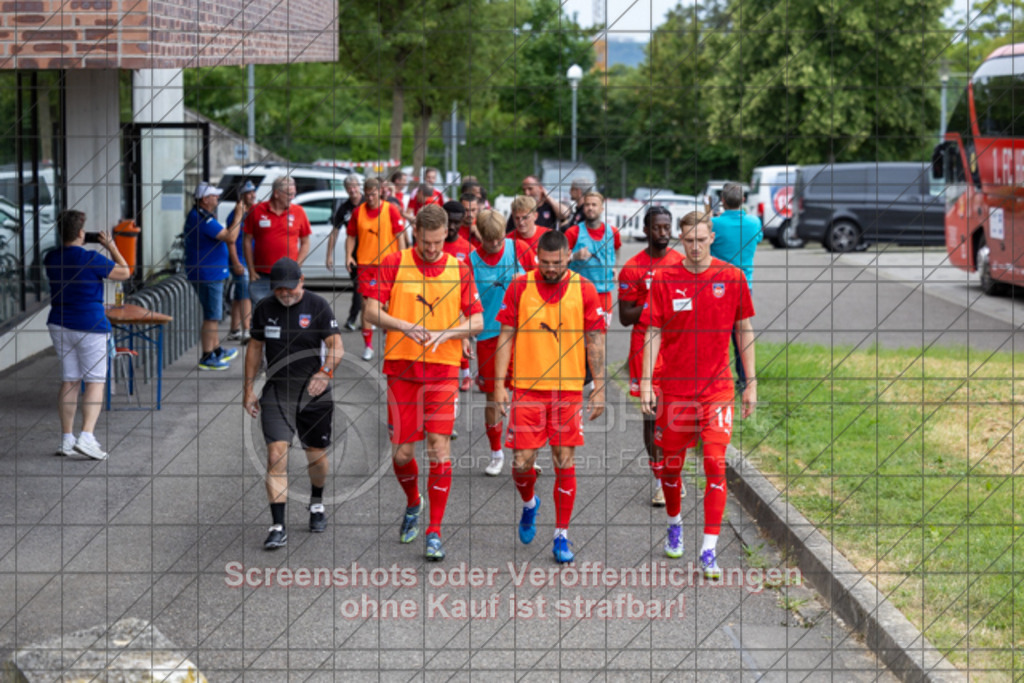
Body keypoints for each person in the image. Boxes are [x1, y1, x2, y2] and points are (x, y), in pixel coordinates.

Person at [362, 204, 483, 561]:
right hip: (401, 367)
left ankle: (434, 531)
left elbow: (476, 322)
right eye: (425, 242)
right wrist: (404, 325)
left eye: (437, 242)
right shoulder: (394, 263)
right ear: (416, 233)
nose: (431, 249)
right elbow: (370, 311)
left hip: (443, 369)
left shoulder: (460, 268)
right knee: (402, 454)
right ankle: (414, 501)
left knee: (438, 448)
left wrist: (449, 332)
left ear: (447, 233)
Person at [640, 211, 757, 578]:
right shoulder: (664, 278)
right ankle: (675, 525)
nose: (694, 247)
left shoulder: (732, 277)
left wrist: (750, 382)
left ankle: (709, 550)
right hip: (674, 391)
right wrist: (646, 381)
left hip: (716, 389)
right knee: (671, 467)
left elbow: (744, 329)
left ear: (712, 239)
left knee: (714, 464)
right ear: (681, 239)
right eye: (688, 241)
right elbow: (652, 331)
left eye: (701, 240)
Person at [492, 230, 607, 564]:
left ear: (569, 256)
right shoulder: (520, 286)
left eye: (557, 263)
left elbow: (595, 338)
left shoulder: (584, 289)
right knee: (520, 464)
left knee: (563, 461)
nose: (551, 269)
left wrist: (598, 385)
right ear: (536, 258)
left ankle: (561, 535)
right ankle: (530, 504)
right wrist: (499, 385)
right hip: (526, 389)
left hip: (568, 390)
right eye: (544, 262)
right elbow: (505, 336)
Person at [243, 257, 344, 550]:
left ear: (301, 281)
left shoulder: (317, 306)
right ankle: (277, 525)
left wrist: (325, 373)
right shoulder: (264, 308)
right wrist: (248, 388)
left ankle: (316, 502)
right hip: (277, 393)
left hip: (314, 393)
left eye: (290, 289)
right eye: (279, 291)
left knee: (316, 458)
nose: (285, 295)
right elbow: (255, 349)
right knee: (276, 456)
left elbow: (337, 346)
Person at [46, 210, 132, 460]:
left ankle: (66, 439)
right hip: (90, 325)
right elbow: (125, 272)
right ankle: (87, 436)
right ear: (82, 233)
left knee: (70, 379)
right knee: (95, 381)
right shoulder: (92, 258)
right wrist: (112, 246)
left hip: (59, 323)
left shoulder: (51, 258)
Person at [617, 206, 684, 507]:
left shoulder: (683, 264)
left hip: (675, 347)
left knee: (675, 417)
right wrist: (651, 306)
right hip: (644, 346)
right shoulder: (632, 268)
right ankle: (659, 480)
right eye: (656, 227)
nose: (662, 232)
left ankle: (674, 475)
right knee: (651, 417)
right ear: (646, 230)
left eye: (667, 227)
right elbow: (624, 316)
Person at [467, 209, 536, 476]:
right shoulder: (471, 261)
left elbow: (539, 281)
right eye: (489, 240)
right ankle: (496, 453)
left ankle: (525, 449)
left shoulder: (518, 248)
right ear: (480, 235)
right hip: (488, 336)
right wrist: (465, 336)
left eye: (498, 239)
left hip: (521, 334)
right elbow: (466, 302)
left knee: (524, 395)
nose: (495, 244)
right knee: (494, 398)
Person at [344, 177, 407, 362]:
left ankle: (389, 337)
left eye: (373, 194)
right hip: (365, 264)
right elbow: (351, 236)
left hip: (388, 264)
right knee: (367, 306)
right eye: (368, 194)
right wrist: (349, 255)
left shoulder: (391, 210)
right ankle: (368, 345)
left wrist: (403, 257)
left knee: (387, 305)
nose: (370, 198)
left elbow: (400, 235)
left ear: (380, 192)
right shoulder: (358, 212)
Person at [566, 191, 621, 391]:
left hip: (603, 293)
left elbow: (616, 249)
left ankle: (596, 380)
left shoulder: (613, 232)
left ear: (601, 207)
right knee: (577, 336)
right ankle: (577, 373)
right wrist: (573, 256)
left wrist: (613, 266)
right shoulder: (573, 233)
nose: (590, 208)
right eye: (587, 204)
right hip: (577, 293)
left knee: (599, 337)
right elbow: (560, 259)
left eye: (594, 204)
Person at [710, 182, 762, 392]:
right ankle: (744, 380)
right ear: (743, 200)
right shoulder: (754, 222)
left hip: (717, 285)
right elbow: (758, 239)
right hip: (744, 284)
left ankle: (714, 377)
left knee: (716, 334)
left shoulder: (713, 223)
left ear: (722, 200)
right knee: (741, 333)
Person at [185, 181, 241, 371]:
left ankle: (216, 349)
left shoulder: (204, 215)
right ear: (205, 199)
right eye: (214, 196)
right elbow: (230, 237)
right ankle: (207, 356)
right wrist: (239, 215)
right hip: (208, 274)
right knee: (212, 315)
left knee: (215, 314)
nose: (217, 198)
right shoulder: (202, 219)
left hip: (212, 272)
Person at [243, 176, 312, 303]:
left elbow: (305, 242)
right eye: (289, 194)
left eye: (293, 194)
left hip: (288, 277)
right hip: (262, 276)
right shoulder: (256, 210)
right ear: (276, 193)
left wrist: (296, 266)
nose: (292, 197)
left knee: (286, 316)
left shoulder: (299, 212)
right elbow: (247, 240)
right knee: (260, 315)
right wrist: (251, 270)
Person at [442, 201, 476, 392]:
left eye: (457, 222)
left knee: (460, 336)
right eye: (449, 222)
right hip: (435, 300)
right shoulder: (433, 243)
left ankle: (466, 374)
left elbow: (470, 282)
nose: (452, 227)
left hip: (458, 302)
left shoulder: (468, 249)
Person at [326, 174, 363, 331]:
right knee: (358, 287)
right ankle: (354, 319)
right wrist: (329, 256)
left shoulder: (368, 203)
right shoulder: (344, 208)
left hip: (372, 251)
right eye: (349, 187)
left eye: (355, 186)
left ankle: (361, 318)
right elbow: (334, 232)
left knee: (368, 288)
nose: (352, 190)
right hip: (353, 254)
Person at [226, 180, 256, 343]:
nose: (253, 195)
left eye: (253, 192)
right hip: (240, 259)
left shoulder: (253, 212)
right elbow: (230, 240)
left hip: (249, 259)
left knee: (239, 295)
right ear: (242, 195)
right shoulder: (236, 214)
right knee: (246, 296)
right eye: (249, 192)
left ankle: (234, 329)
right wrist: (236, 261)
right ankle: (247, 330)